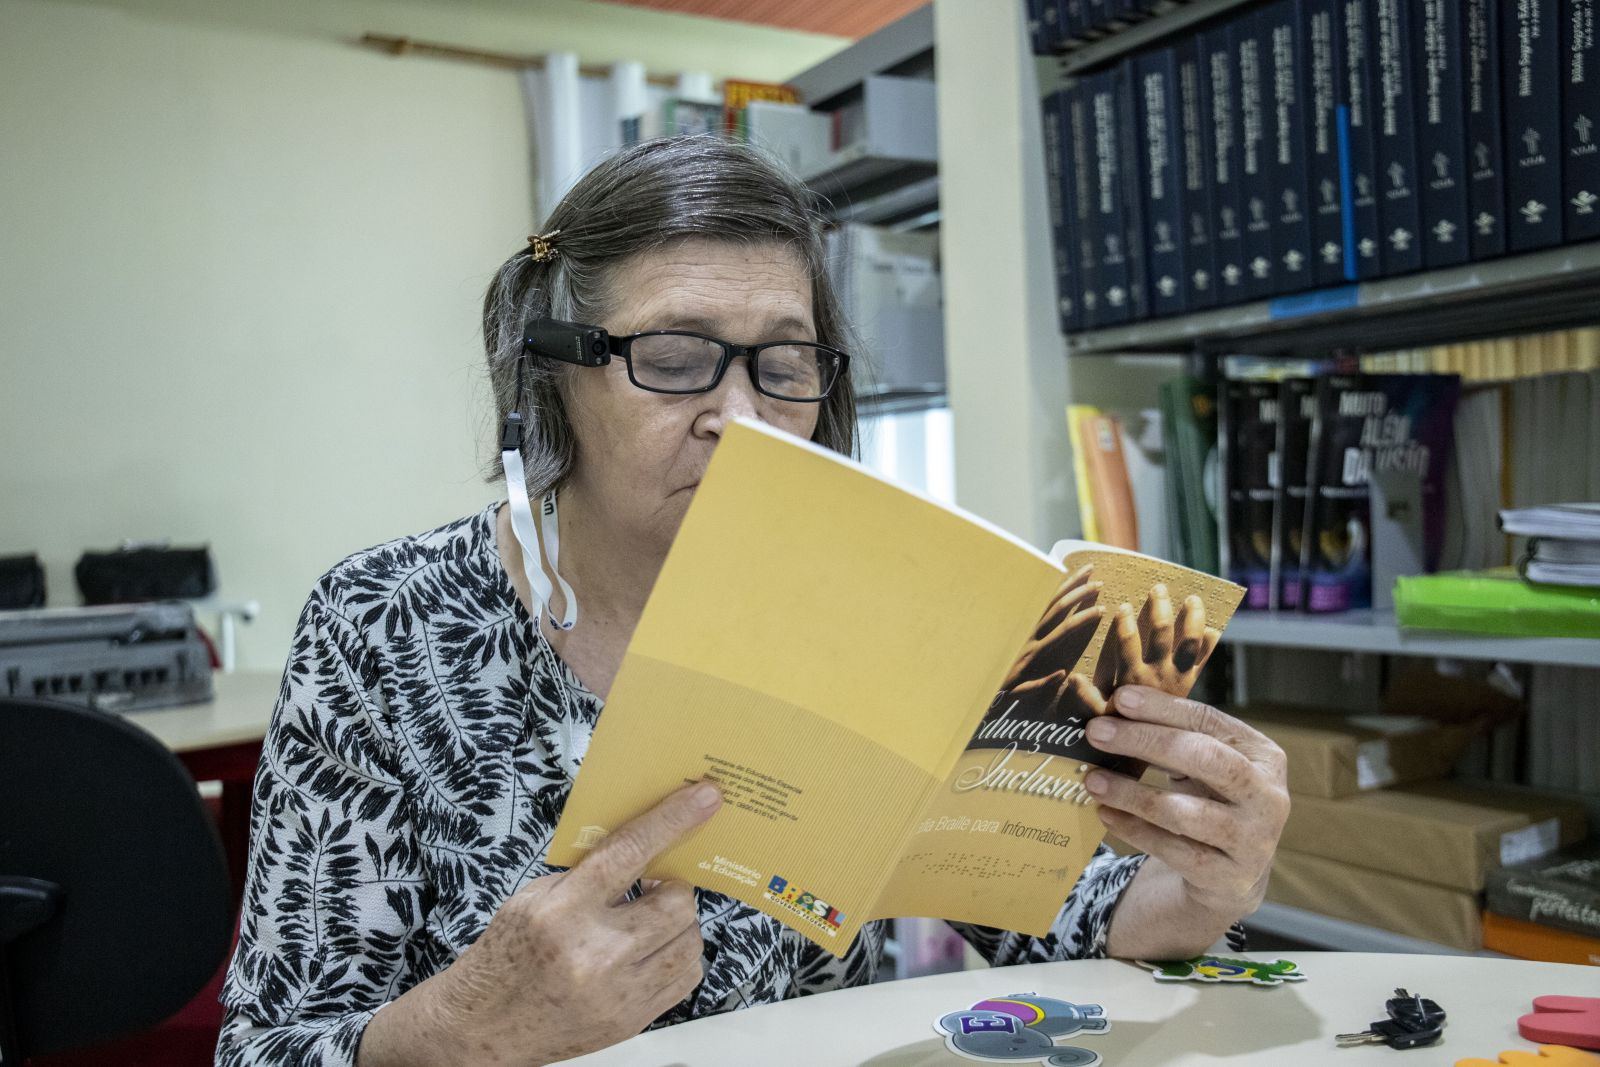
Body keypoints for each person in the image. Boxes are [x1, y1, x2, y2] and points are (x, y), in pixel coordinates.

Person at [216, 136, 1289, 1067]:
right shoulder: (382, 625)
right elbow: (265, 1043)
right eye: (676, 360)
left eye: (782, 367)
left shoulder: (885, 610)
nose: (740, 417)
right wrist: (466, 1027)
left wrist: (1194, 887)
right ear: (557, 377)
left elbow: (1048, 919)